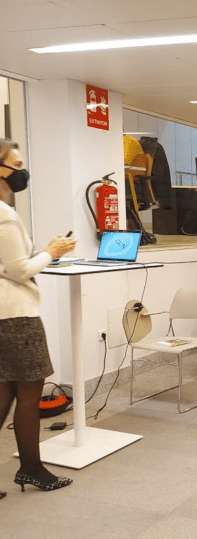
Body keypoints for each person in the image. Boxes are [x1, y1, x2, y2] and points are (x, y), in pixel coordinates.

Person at [0, 138, 76, 498]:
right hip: (16, 317)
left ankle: (30, 466)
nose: (22, 169)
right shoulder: (3, 213)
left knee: (3, 393)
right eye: (16, 163)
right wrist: (51, 251)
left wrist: (45, 253)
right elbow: (19, 270)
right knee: (30, 392)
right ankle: (31, 468)